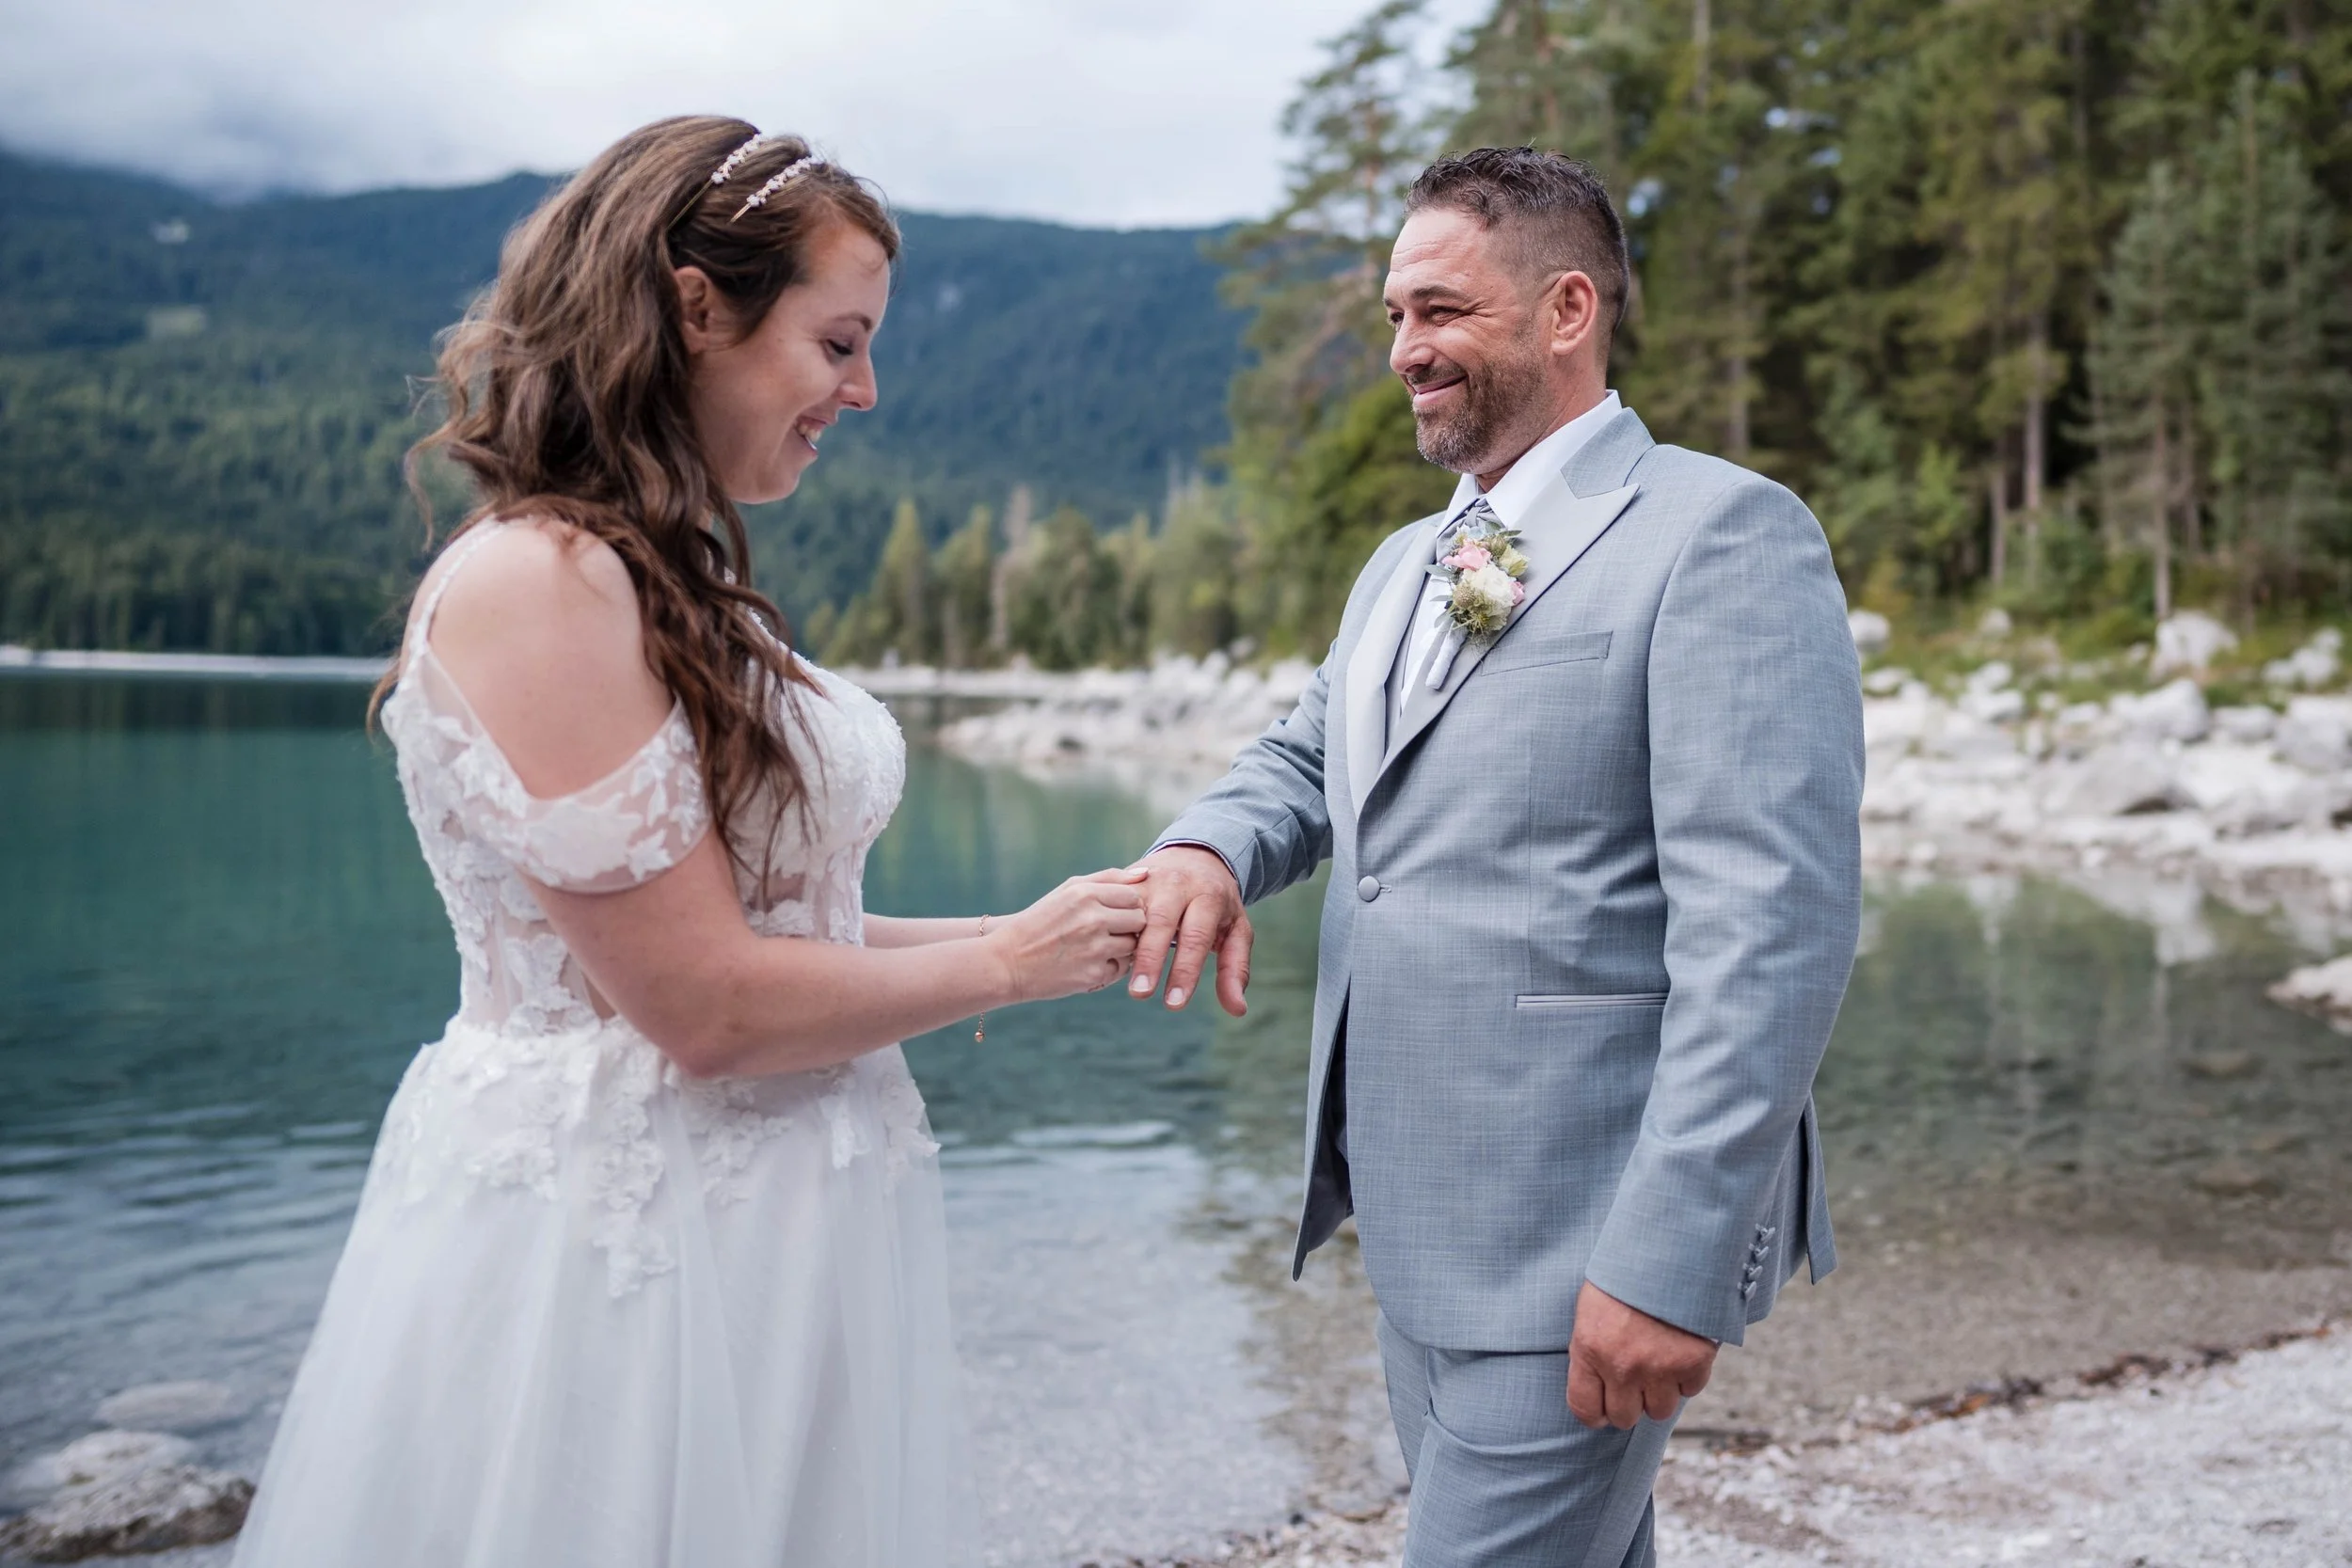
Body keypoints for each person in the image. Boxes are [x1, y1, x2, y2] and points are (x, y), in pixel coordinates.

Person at [231, 117, 1145, 1567]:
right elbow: (704, 1004)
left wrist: (1035, 930)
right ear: (695, 305)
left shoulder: (666, 581)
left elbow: (773, 930)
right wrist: (1011, 969)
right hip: (625, 1253)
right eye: (839, 342)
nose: (866, 389)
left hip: (777, 1233)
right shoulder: (537, 582)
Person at [1129, 148, 1864, 1566]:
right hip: (1422, 1227)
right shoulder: (1406, 563)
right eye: (1397, 314)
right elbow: (1307, 760)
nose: (1405, 349)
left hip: (1585, 1241)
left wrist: (1670, 1259)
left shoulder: (1722, 535)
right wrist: (1210, 848)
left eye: (1442, 311)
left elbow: (1770, 931)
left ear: (1567, 310)